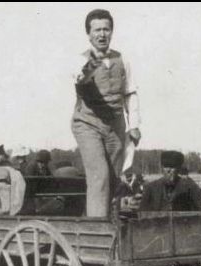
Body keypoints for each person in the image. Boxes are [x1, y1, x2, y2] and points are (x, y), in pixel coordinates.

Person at [71, 9, 141, 218]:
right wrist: (92, 65)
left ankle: (105, 222)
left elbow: (130, 91)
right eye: (97, 30)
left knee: (112, 179)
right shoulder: (80, 60)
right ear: (89, 34)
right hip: (88, 124)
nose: (102, 34)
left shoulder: (122, 60)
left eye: (106, 29)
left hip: (116, 126)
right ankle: (97, 231)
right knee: (99, 177)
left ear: (111, 32)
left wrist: (135, 124)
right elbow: (79, 79)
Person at [140, 151, 201, 266]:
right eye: (167, 168)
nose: (170, 172)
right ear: (162, 168)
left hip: (184, 246)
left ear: (179, 169)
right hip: (159, 246)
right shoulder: (151, 188)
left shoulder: (189, 187)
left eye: (174, 169)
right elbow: (142, 217)